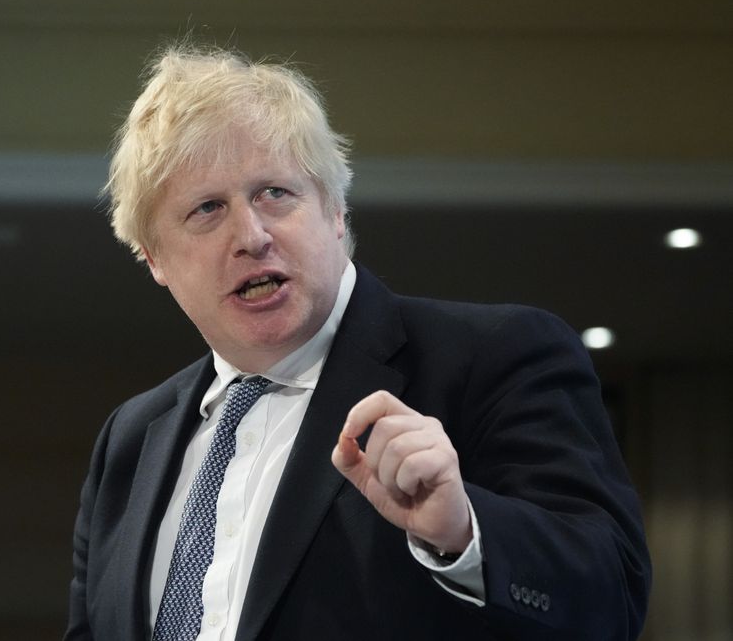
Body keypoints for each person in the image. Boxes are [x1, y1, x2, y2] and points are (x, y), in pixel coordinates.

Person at [65, 44, 651, 641]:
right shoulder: (130, 440)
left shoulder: (495, 356)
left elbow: (611, 599)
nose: (252, 234)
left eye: (275, 193)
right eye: (208, 209)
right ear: (154, 259)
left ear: (336, 210)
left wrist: (464, 533)